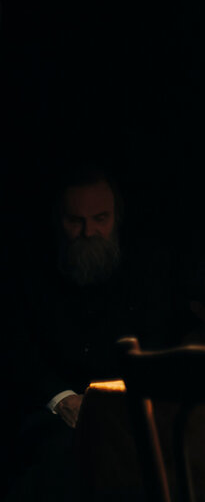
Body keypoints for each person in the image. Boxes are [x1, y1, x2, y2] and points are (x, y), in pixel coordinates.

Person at [8, 164, 175, 500]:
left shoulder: (145, 271)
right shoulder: (28, 274)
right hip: (55, 418)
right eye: (75, 221)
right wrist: (62, 399)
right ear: (58, 221)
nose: (88, 232)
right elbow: (17, 349)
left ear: (116, 218)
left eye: (100, 219)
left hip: (131, 411)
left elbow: (159, 345)